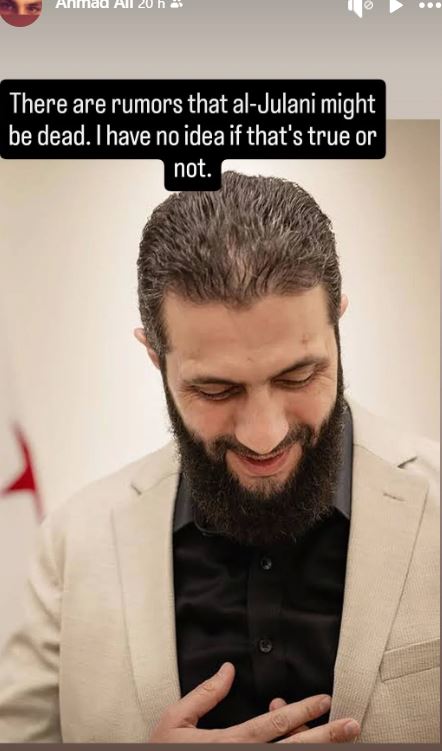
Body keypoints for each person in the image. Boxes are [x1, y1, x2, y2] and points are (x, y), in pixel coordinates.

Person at [0, 172, 438, 743]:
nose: (264, 435)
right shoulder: (72, 546)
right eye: (216, 390)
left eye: (298, 376)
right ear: (154, 357)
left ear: (338, 323)